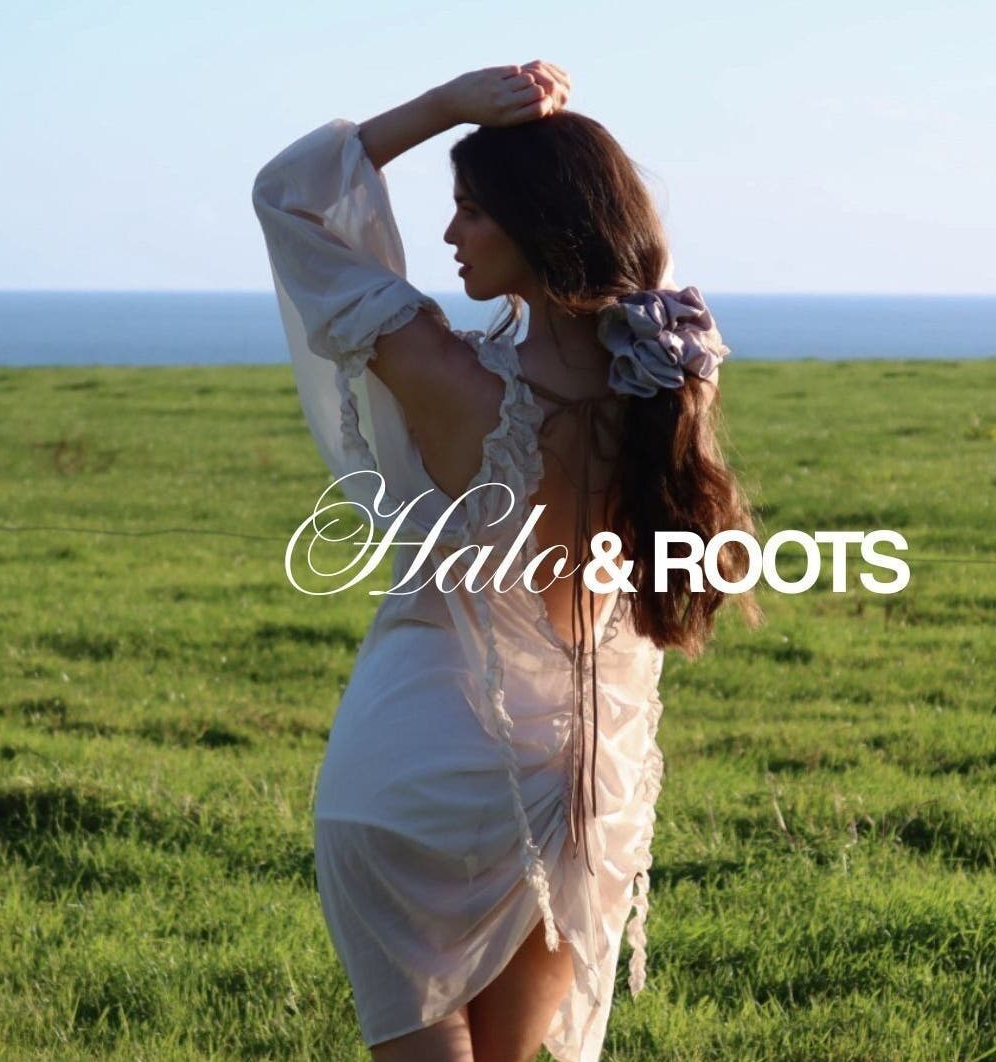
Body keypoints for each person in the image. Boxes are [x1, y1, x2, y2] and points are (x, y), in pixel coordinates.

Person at [251, 60, 762, 1062]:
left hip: (415, 773)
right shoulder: (660, 393)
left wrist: (443, 106)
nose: (449, 238)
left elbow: (288, 199)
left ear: (538, 228)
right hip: (567, 792)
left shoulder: (438, 370)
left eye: (472, 213)